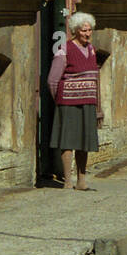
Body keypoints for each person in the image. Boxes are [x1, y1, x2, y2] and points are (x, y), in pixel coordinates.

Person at [47, 12, 101, 191]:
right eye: (84, 30)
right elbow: (53, 80)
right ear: (75, 31)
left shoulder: (92, 50)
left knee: (84, 142)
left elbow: (94, 78)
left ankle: (82, 180)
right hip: (68, 103)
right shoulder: (64, 49)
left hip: (87, 102)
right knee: (68, 141)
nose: (88, 34)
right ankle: (67, 181)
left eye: (89, 30)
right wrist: (60, 100)